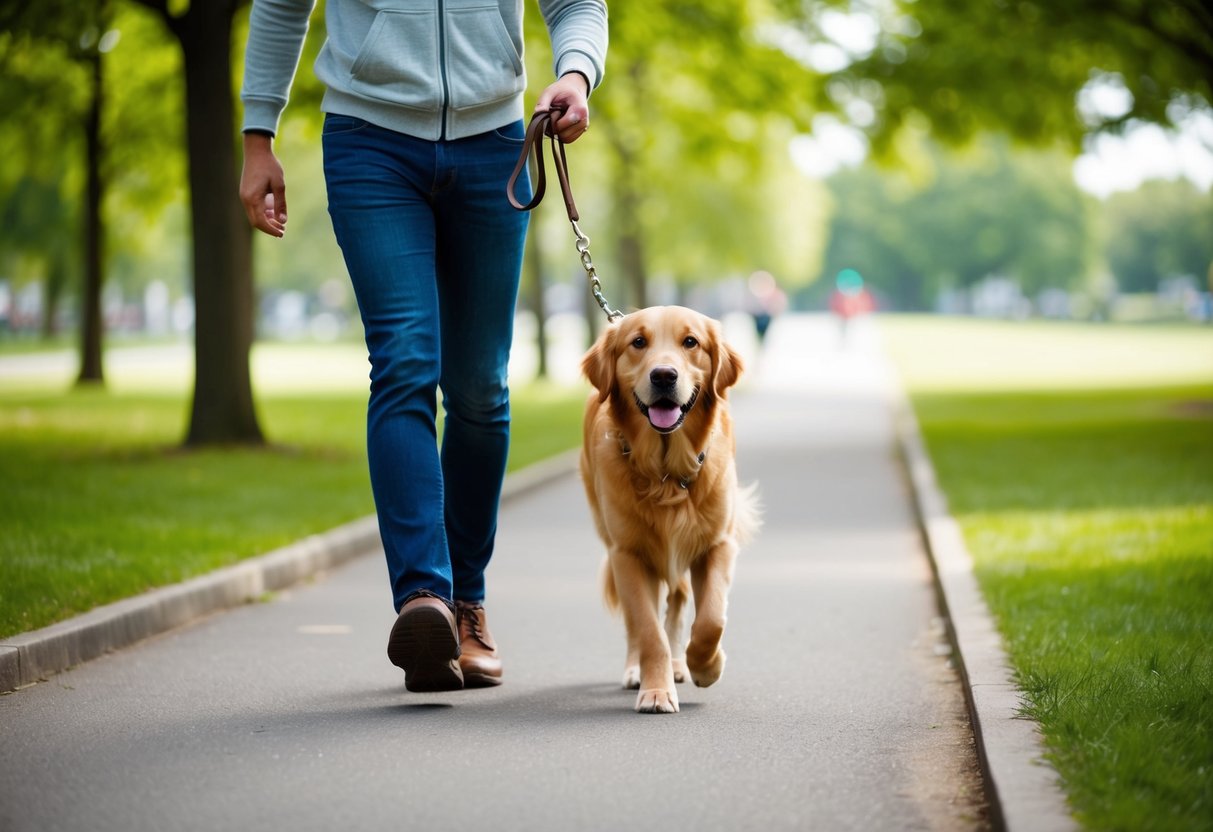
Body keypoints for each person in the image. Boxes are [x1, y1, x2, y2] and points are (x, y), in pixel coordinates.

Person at [238, 0, 607, 693]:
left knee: (479, 389)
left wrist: (577, 74)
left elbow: (575, 4)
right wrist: (259, 135)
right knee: (405, 363)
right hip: (368, 141)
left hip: (494, 140)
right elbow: (281, 5)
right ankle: (423, 600)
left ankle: (466, 604)